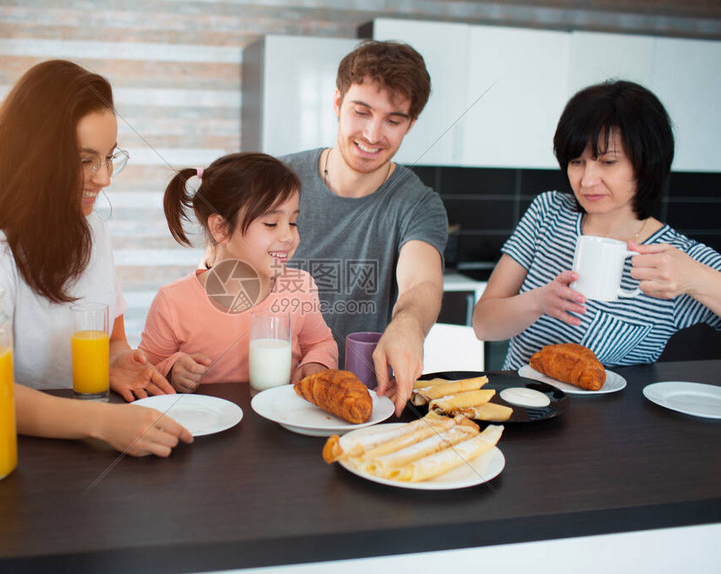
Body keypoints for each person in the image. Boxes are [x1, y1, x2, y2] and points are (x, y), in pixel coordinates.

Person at [0, 60, 192, 456]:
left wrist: (116, 361)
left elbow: (113, 339)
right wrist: (102, 423)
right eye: (85, 160)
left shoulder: (94, 233)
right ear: (35, 157)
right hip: (10, 450)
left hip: (86, 445)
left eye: (109, 158)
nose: (103, 178)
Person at [473, 80, 721, 369]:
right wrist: (538, 302)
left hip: (612, 416)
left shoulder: (673, 258)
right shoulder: (548, 212)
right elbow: (483, 325)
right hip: (520, 406)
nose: (587, 180)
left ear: (646, 164)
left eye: (607, 162)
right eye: (577, 162)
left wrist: (695, 278)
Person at [281, 40, 448, 415]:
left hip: (365, 401)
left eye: (393, 120)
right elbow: (222, 270)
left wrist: (408, 324)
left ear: (411, 124)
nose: (373, 135)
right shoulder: (277, 179)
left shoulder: (418, 203)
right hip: (272, 392)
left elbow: (423, 283)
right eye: (362, 112)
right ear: (338, 103)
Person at [139, 152, 338, 391]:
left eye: (293, 222)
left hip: (278, 421)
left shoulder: (300, 288)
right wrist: (171, 370)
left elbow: (320, 342)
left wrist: (316, 363)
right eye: (271, 224)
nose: (288, 236)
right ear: (221, 229)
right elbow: (144, 368)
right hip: (207, 425)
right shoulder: (173, 302)